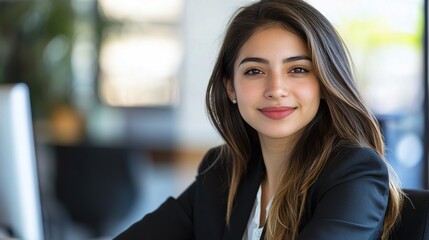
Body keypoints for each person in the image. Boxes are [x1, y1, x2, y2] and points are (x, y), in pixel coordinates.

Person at [114, 0, 403, 239]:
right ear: (231, 87)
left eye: (298, 70)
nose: (276, 89)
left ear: (325, 84)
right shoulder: (222, 171)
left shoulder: (354, 174)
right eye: (254, 71)